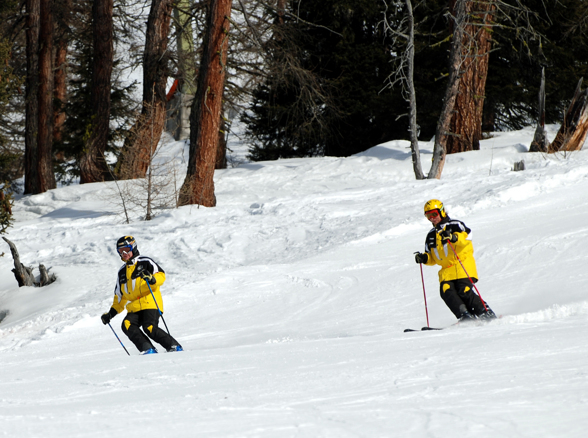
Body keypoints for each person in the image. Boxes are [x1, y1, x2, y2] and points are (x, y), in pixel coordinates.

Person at [414, 200, 496, 322]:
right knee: (446, 290)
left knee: (463, 290)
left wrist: (454, 237)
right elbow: (432, 257)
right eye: (428, 216)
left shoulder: (455, 225)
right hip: (447, 271)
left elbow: (467, 237)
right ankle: (465, 316)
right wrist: (425, 258)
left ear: (442, 212)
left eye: (434, 214)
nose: (432, 218)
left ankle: (485, 313)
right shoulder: (431, 235)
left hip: (462, 265)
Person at [101, 236, 183, 354]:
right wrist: (110, 314)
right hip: (134, 307)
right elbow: (120, 297)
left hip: (150, 302)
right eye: (120, 251)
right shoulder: (122, 272)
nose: (124, 253)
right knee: (127, 324)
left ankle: (174, 346)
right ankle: (147, 349)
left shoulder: (145, 262)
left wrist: (152, 279)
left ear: (133, 247)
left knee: (149, 327)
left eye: (126, 249)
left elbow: (161, 275)